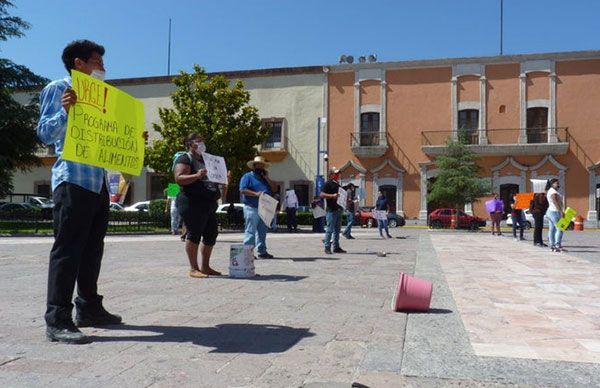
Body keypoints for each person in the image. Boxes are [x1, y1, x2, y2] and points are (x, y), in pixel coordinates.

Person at [37, 40, 123, 344]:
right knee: (68, 249)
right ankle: (57, 319)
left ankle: (88, 308)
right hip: (72, 178)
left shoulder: (103, 98)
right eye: (97, 61)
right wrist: (65, 111)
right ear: (79, 63)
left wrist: (133, 140)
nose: (103, 68)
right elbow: (44, 132)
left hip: (96, 179)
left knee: (92, 249)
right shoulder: (58, 87)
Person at [173, 133, 227, 278]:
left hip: (208, 202)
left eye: (203, 140)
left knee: (211, 233)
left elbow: (214, 178)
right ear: (190, 144)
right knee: (194, 233)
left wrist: (223, 177)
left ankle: (205, 266)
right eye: (199, 141)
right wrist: (196, 175)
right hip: (191, 202)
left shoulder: (207, 159)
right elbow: (179, 178)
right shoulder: (184, 158)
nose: (202, 144)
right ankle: (193, 268)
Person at [240, 156, 278, 259]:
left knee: (262, 231)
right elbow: (242, 190)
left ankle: (262, 251)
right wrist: (255, 194)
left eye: (263, 166)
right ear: (254, 166)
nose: (261, 167)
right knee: (250, 231)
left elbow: (275, 189)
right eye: (259, 165)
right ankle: (248, 252)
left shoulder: (265, 179)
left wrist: (267, 178)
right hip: (251, 207)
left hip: (264, 208)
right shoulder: (247, 176)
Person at [320, 167, 346, 254]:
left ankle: (336, 246)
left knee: (337, 230)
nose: (338, 175)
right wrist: (332, 196)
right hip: (331, 210)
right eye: (336, 173)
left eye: (338, 173)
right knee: (330, 229)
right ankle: (327, 247)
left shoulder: (338, 184)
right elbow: (322, 194)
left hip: (338, 209)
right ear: (331, 175)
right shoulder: (328, 183)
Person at [545, 178, 565, 252]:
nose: (558, 184)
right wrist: (561, 211)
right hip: (554, 212)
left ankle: (552, 245)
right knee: (560, 228)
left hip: (550, 211)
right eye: (557, 183)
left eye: (558, 183)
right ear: (552, 184)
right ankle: (557, 245)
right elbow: (555, 202)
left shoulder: (550, 191)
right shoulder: (553, 192)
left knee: (552, 229)